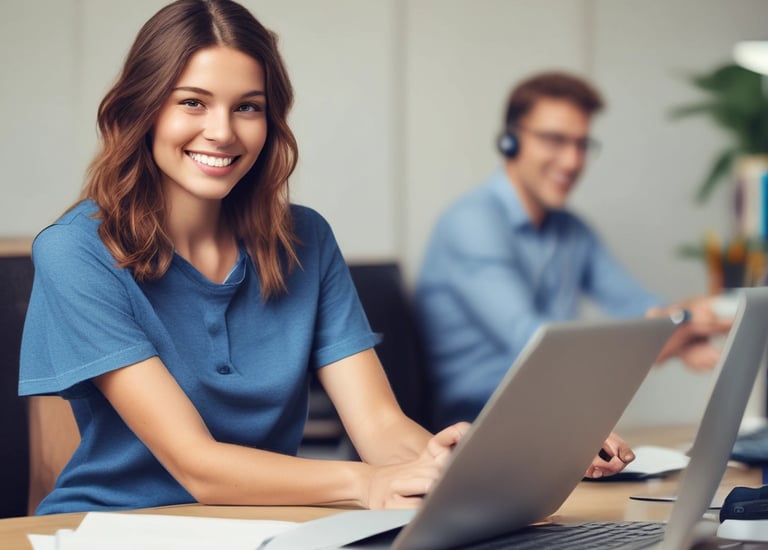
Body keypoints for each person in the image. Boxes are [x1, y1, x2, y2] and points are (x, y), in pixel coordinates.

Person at [17, 2, 632, 516]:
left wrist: (518, 457)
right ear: (143, 110)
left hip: (267, 527)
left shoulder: (305, 241)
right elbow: (197, 467)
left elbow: (382, 428)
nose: (223, 132)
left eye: (248, 106)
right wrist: (364, 483)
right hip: (117, 531)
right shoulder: (77, 252)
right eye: (193, 102)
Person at [415, 71, 732, 428]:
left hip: (552, 420)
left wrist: (684, 321)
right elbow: (537, 349)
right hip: (474, 429)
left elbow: (638, 305)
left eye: (582, 144)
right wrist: (672, 336)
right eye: (555, 140)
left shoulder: (572, 230)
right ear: (510, 141)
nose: (572, 162)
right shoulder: (471, 223)